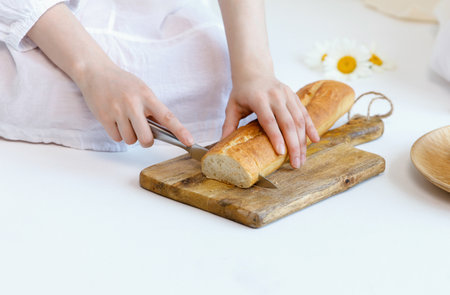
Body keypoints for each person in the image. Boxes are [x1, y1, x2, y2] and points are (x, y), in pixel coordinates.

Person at [0, 0, 319, 169]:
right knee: (39, 87)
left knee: (213, 71)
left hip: (152, 10)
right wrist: (93, 72)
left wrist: (255, 70)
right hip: (38, 20)